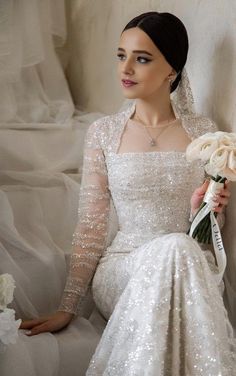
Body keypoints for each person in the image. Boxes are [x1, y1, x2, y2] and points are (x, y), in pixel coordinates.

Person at [21, 12, 236, 375]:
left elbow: (207, 229)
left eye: (142, 58)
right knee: (176, 247)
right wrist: (68, 306)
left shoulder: (203, 131)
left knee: (179, 247)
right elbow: (91, 224)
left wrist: (206, 209)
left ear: (172, 68)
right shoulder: (104, 133)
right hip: (124, 267)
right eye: (121, 55)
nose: (127, 68)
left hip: (184, 263)